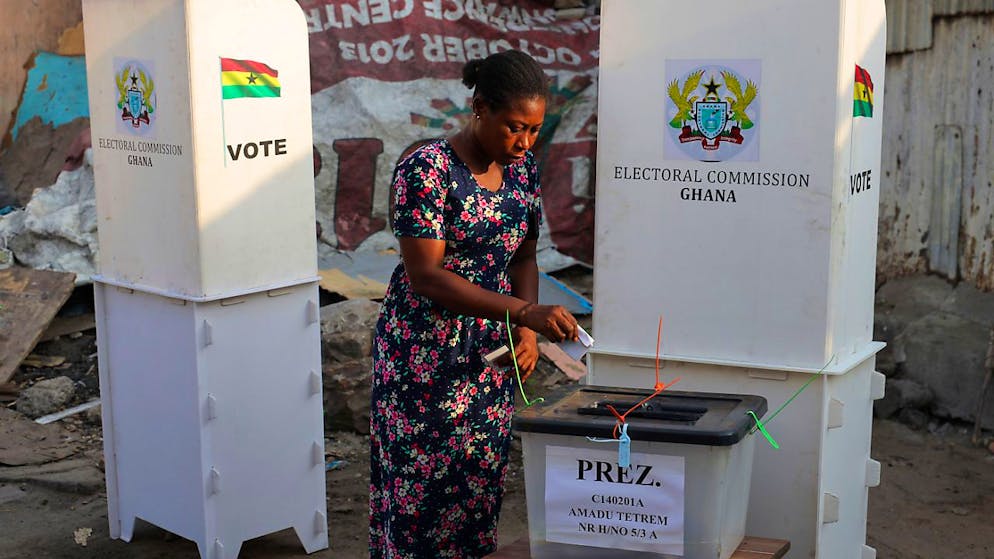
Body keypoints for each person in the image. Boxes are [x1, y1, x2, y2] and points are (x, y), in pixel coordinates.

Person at [368, 49, 579, 558]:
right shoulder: (427, 169)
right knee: (420, 494)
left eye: (533, 130)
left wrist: (524, 334)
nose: (524, 142)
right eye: (513, 127)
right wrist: (524, 314)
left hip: (489, 354)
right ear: (480, 107)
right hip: (423, 353)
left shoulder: (522, 170)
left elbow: (524, 257)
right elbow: (426, 276)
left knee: (476, 486)